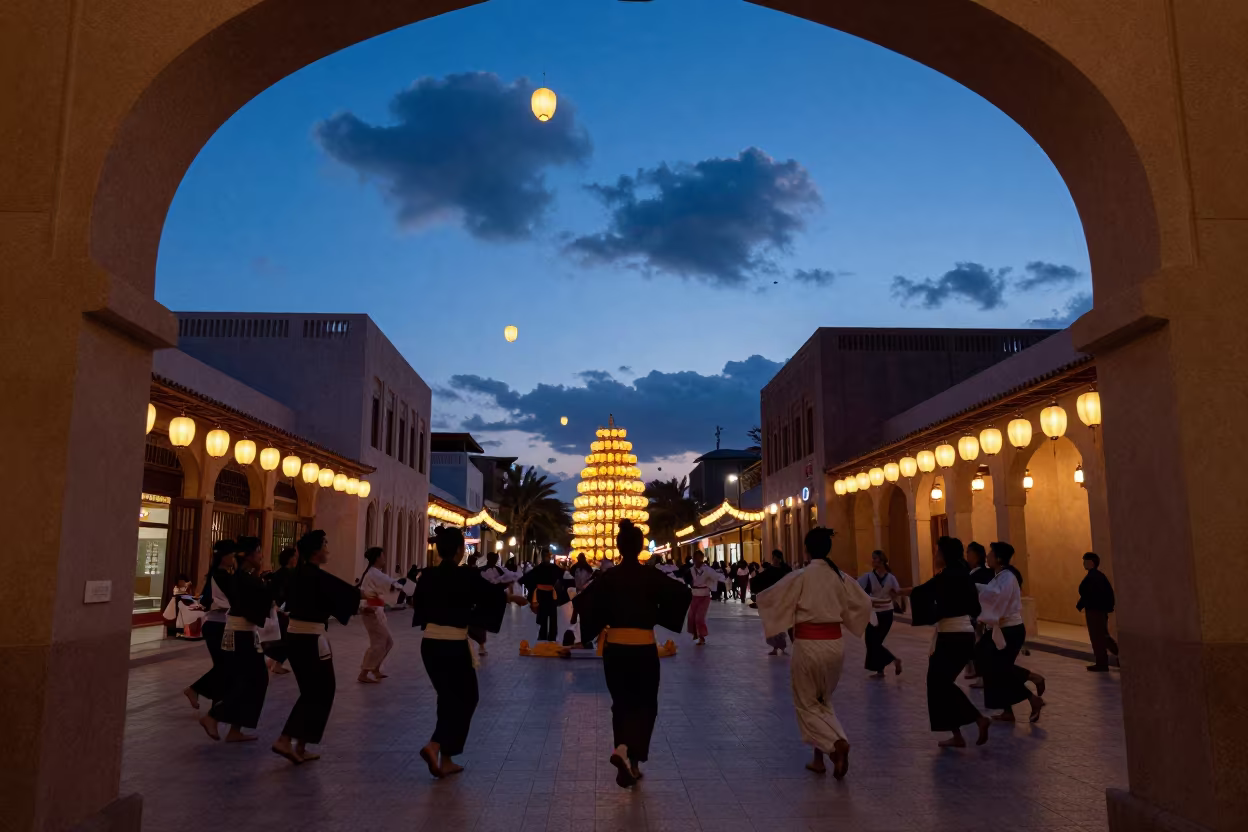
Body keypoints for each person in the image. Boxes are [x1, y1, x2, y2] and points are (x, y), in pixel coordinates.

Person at [573, 520, 692, 788]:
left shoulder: (607, 578)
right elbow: (682, 592)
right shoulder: (651, 576)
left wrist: (602, 620)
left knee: (622, 703)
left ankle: (624, 750)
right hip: (643, 648)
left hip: (615, 649)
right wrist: (656, 615)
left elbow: (584, 602)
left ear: (617, 546)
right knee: (646, 703)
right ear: (640, 549)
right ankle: (631, 757)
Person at [756, 528, 872, 779]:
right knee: (823, 701)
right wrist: (851, 620)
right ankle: (825, 753)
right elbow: (864, 602)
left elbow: (770, 597)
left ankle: (834, 745)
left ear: (806, 549)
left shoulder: (802, 576)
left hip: (809, 644)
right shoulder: (840, 577)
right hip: (835, 645)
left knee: (806, 703)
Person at [411, 527, 526, 778]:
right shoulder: (465, 576)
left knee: (447, 698)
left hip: (429, 644)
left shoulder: (427, 576)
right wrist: (512, 600)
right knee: (467, 697)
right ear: (460, 550)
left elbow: (415, 602)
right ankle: (435, 745)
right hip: (452, 645)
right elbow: (488, 594)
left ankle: (447, 758)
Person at [271, 530, 361, 765]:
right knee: (320, 690)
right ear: (316, 551)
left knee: (315, 691)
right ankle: (286, 738)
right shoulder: (314, 576)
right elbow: (345, 595)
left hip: (298, 637)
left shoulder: (299, 574)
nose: (328, 550)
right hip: (310, 640)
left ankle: (301, 745)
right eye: (325, 545)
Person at [897, 536, 991, 749]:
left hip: (952, 637)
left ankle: (977, 719)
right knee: (940, 684)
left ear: (945, 554)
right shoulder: (962, 574)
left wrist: (901, 592)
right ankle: (957, 734)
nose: (935, 555)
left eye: (937, 551)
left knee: (939, 683)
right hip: (961, 635)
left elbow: (924, 591)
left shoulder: (948, 575)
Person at [198, 536, 271, 742]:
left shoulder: (242, 577)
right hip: (240, 635)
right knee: (253, 680)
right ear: (247, 556)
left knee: (248, 680)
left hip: (244, 633)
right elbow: (257, 602)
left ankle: (234, 729)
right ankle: (213, 717)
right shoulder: (239, 578)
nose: (261, 556)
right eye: (258, 551)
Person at [975, 542, 1046, 722]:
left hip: (1010, 630)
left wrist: (978, 597)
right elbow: (989, 593)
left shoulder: (1008, 578)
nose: (987, 556)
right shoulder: (999, 576)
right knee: (992, 667)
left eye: (991, 554)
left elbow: (997, 599)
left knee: (999, 669)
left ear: (999, 558)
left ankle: (1032, 693)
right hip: (1001, 629)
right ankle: (1009, 709)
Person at [183, 540, 237, 710]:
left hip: (214, 624)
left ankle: (217, 701)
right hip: (218, 626)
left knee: (225, 666)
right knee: (226, 665)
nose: (233, 558)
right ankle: (195, 690)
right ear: (224, 556)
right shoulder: (223, 577)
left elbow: (205, 601)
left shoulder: (214, 576)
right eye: (232, 555)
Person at [357, 547, 404, 683]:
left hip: (375, 609)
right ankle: (364, 673)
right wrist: (403, 586)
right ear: (377, 558)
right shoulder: (374, 573)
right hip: (370, 611)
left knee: (388, 642)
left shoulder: (374, 573)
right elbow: (390, 583)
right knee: (378, 643)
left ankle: (375, 668)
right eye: (383, 556)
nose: (384, 558)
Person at [858, 550, 903, 677]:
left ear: (882, 560)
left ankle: (894, 660)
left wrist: (896, 598)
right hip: (873, 613)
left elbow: (897, 592)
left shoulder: (891, 578)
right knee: (871, 641)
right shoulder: (868, 577)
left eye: (875, 559)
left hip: (886, 613)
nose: (873, 561)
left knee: (875, 642)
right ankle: (880, 670)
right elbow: (856, 588)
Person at [1077, 552, 1118, 671]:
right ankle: (1105, 661)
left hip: (1096, 611)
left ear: (1091, 563)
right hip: (1096, 610)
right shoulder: (1096, 576)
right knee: (1101, 636)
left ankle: (1103, 663)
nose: (1083, 563)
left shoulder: (1095, 577)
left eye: (1085, 561)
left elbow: (1091, 594)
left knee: (1098, 637)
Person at [749, 550, 793, 654]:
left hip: (782, 600)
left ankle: (781, 646)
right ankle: (775, 646)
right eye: (774, 557)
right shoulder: (770, 571)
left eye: (777, 557)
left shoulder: (786, 570)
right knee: (772, 623)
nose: (775, 560)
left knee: (780, 623)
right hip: (771, 601)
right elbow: (760, 580)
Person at [521, 550, 569, 642]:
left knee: (551, 616)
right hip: (544, 595)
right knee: (545, 615)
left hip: (548, 595)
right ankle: (546, 635)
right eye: (545, 556)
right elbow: (565, 577)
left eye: (547, 556)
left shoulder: (542, 568)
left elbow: (526, 579)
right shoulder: (550, 568)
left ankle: (549, 635)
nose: (546, 557)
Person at [263, 547, 297, 675]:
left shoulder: (279, 573)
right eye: (294, 556)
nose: (296, 559)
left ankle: (272, 662)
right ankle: (276, 663)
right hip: (283, 612)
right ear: (290, 559)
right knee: (288, 640)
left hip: (278, 611)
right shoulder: (288, 574)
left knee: (281, 639)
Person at [686, 549, 725, 646]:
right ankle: (695, 633)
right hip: (694, 595)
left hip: (704, 596)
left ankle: (701, 637)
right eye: (695, 558)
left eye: (699, 558)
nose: (697, 560)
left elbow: (716, 577)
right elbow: (686, 579)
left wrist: (724, 580)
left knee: (699, 617)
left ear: (702, 558)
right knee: (691, 616)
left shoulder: (708, 570)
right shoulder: (691, 570)